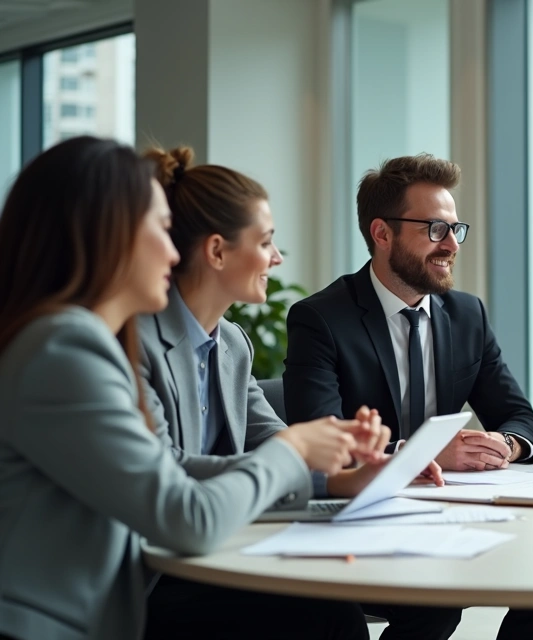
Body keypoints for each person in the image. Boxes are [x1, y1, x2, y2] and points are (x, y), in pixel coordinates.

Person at [0, 137, 380, 640]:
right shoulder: (66, 351)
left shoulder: (78, 342)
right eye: (160, 228)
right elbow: (186, 512)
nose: (175, 250)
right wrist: (294, 449)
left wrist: (326, 475)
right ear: (106, 236)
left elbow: (169, 475)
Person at [137, 146, 438, 639]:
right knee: (325, 617)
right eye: (267, 242)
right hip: (156, 576)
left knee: (333, 608)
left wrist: (348, 473)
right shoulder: (138, 342)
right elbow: (172, 472)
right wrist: (299, 451)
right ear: (216, 252)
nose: (276, 258)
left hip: (226, 546)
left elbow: (270, 442)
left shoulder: (232, 343)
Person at [284, 153, 533, 640]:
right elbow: (319, 447)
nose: (451, 244)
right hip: (363, 525)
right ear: (382, 234)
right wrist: (418, 454)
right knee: (434, 604)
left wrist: (505, 445)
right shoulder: (321, 320)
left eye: (455, 229)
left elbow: (520, 417)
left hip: (451, 515)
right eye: (434, 229)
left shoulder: (466, 314)